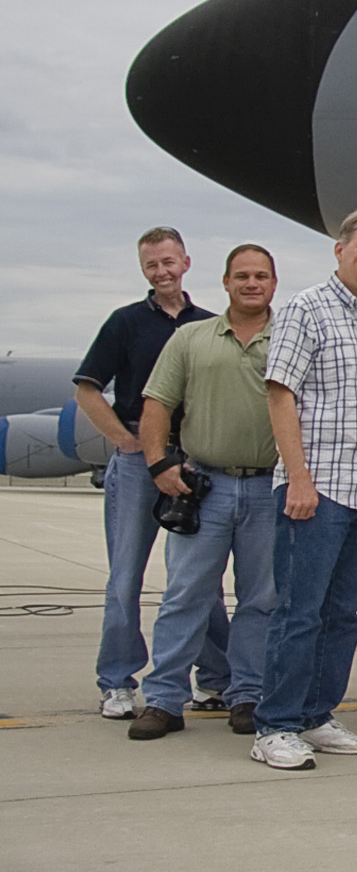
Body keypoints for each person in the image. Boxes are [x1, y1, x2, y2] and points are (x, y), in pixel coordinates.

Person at [254, 210, 357, 771]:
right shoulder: (304, 309)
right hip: (319, 489)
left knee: (343, 612)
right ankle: (276, 724)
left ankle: (317, 714)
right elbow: (280, 394)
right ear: (339, 251)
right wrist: (298, 477)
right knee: (300, 610)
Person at [74, 227, 229, 720]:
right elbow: (87, 389)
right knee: (126, 576)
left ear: (186, 262)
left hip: (194, 460)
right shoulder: (125, 324)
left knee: (197, 578)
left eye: (168, 262)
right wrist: (126, 440)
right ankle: (117, 681)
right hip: (139, 462)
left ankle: (216, 678)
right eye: (151, 265)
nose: (161, 272)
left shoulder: (210, 324)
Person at [128, 245, 280, 741]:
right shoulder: (190, 338)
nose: (251, 283)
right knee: (185, 595)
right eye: (242, 276)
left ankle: (247, 695)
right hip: (205, 488)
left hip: (267, 489)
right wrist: (158, 464)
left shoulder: (290, 339)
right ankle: (164, 700)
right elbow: (158, 404)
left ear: (274, 284)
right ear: (225, 282)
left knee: (261, 600)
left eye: (261, 276)